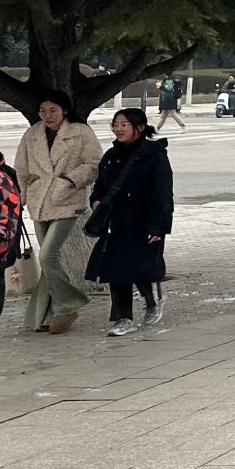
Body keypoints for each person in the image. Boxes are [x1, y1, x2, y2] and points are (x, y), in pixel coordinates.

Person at [13, 89, 100, 334]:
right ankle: (43, 316)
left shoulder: (80, 132)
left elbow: (94, 164)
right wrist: (19, 198)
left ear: (65, 110)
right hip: (39, 201)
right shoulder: (32, 134)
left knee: (47, 256)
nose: (48, 115)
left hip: (67, 200)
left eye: (53, 110)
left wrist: (70, 181)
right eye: (43, 111)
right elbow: (21, 168)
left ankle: (69, 303)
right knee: (51, 261)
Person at [84, 108, 173, 336]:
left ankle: (151, 300)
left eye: (124, 125)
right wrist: (96, 201)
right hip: (116, 223)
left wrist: (159, 227)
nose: (118, 129)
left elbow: (162, 193)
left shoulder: (154, 155)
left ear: (140, 128)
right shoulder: (111, 156)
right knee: (116, 271)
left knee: (138, 269)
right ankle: (123, 319)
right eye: (115, 125)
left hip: (143, 223)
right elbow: (100, 186)